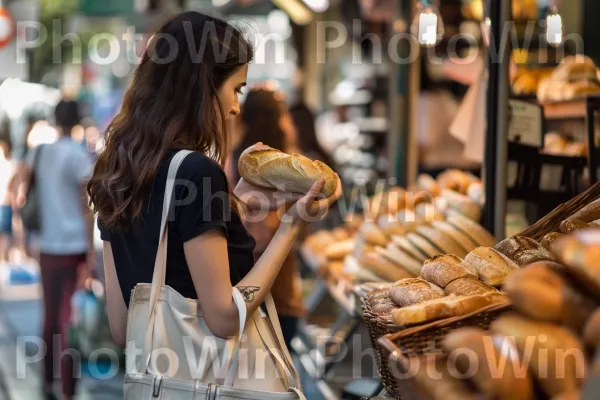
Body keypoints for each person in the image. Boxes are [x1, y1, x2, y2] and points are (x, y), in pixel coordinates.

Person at [87, 9, 340, 379]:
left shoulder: (118, 171)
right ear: (203, 86)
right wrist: (291, 226)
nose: (236, 106)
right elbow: (224, 317)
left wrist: (236, 204)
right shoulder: (196, 172)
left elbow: (123, 327)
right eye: (235, 89)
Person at [18, 99, 94, 400]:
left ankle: (47, 381)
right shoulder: (77, 156)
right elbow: (86, 207)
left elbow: (20, 189)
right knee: (68, 319)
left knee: (50, 316)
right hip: (73, 245)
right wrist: (90, 252)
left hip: (47, 245)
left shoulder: (39, 153)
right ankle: (67, 389)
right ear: (76, 121)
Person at [231, 88, 306, 350]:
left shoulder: (237, 159)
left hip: (242, 280)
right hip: (277, 278)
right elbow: (266, 231)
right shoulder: (291, 161)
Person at [0, 139, 15, 263]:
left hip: (5, 202)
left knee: (5, 233)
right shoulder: (10, 164)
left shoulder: (10, 164)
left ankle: (4, 257)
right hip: (5, 202)